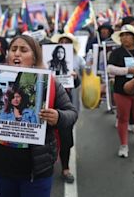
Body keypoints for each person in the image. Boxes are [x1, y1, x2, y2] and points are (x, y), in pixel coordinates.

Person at [0, 35, 77, 197]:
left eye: (23, 50)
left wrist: (58, 117)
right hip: (2, 168)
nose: (16, 54)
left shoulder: (51, 82)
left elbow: (72, 113)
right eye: (13, 50)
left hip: (37, 171)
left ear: (34, 57)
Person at [50, 33, 84, 183]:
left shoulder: (74, 59)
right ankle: (47, 164)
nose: (63, 45)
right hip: (49, 101)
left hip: (65, 102)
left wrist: (75, 77)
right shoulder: (48, 62)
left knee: (65, 137)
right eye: (61, 42)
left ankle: (65, 168)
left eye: (67, 42)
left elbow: (77, 84)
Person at [107, 24, 134, 158]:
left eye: (128, 35)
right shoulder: (116, 53)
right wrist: (127, 70)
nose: (125, 38)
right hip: (120, 91)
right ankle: (124, 145)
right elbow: (110, 69)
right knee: (123, 118)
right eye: (122, 35)